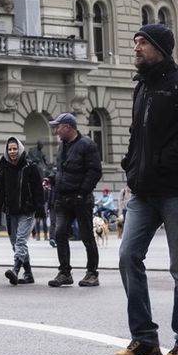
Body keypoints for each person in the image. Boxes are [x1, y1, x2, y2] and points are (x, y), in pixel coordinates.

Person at [114, 23, 178, 355]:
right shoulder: (141, 86)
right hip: (144, 190)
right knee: (127, 256)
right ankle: (144, 339)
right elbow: (134, 136)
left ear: (160, 47)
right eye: (135, 41)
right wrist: (132, 166)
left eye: (142, 42)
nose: (136, 47)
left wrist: (158, 163)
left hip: (177, 190)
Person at [45, 113, 102, 287]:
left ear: (67, 127)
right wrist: (52, 179)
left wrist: (82, 193)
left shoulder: (87, 145)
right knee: (60, 233)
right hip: (62, 199)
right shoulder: (63, 146)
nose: (56, 131)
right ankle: (64, 273)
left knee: (86, 236)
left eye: (58, 127)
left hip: (81, 199)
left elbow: (94, 172)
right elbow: (61, 170)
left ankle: (92, 273)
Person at [0, 135, 42, 284]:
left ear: (20, 149)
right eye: (10, 149)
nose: (12, 151)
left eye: (15, 148)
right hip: (10, 212)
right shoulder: (4, 168)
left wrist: (39, 210)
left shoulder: (30, 166)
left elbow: (38, 190)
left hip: (27, 210)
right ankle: (29, 274)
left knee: (20, 241)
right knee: (15, 243)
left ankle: (16, 270)